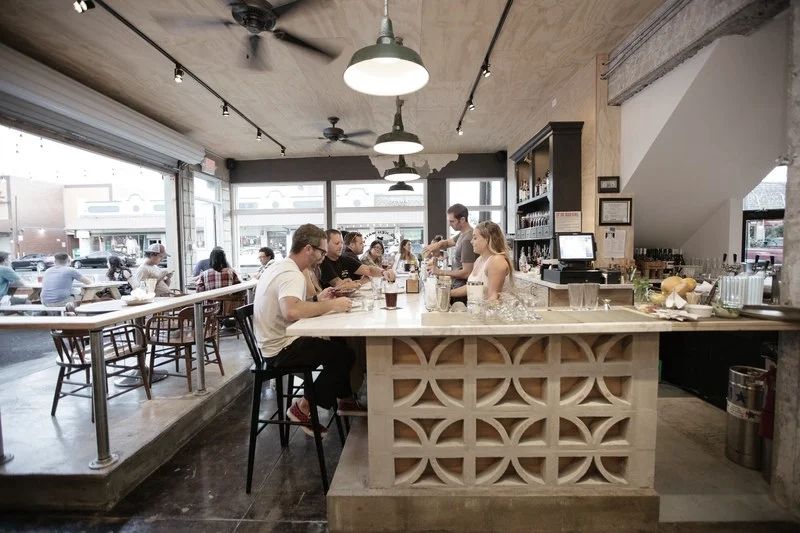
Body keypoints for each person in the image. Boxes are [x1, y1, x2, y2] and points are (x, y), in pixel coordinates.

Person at [253, 223, 365, 436]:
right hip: (280, 350)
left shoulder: (279, 266)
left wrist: (318, 299)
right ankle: (303, 406)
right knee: (343, 355)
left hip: (269, 343)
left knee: (338, 344)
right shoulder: (292, 273)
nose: (323, 256)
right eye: (321, 251)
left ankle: (345, 399)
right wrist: (332, 305)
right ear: (308, 249)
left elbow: (292, 305)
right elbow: (291, 311)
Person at [450, 221, 514, 301]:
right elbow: (470, 287)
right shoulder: (479, 260)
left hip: (489, 309)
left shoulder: (496, 261)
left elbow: (494, 297)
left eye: (475, 238)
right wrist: (447, 293)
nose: (471, 242)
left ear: (487, 239)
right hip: (476, 308)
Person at [422, 203, 476, 291]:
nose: (449, 224)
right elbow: (447, 243)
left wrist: (440, 272)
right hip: (457, 285)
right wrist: (435, 245)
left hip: (462, 289)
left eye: (452, 221)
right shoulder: (463, 234)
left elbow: (467, 273)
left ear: (462, 219)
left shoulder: (467, 240)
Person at [319, 229, 395, 289]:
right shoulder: (323, 262)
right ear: (326, 244)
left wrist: (383, 272)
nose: (341, 246)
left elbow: (369, 270)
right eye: (337, 243)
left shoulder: (344, 259)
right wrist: (361, 282)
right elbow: (340, 285)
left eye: (342, 243)